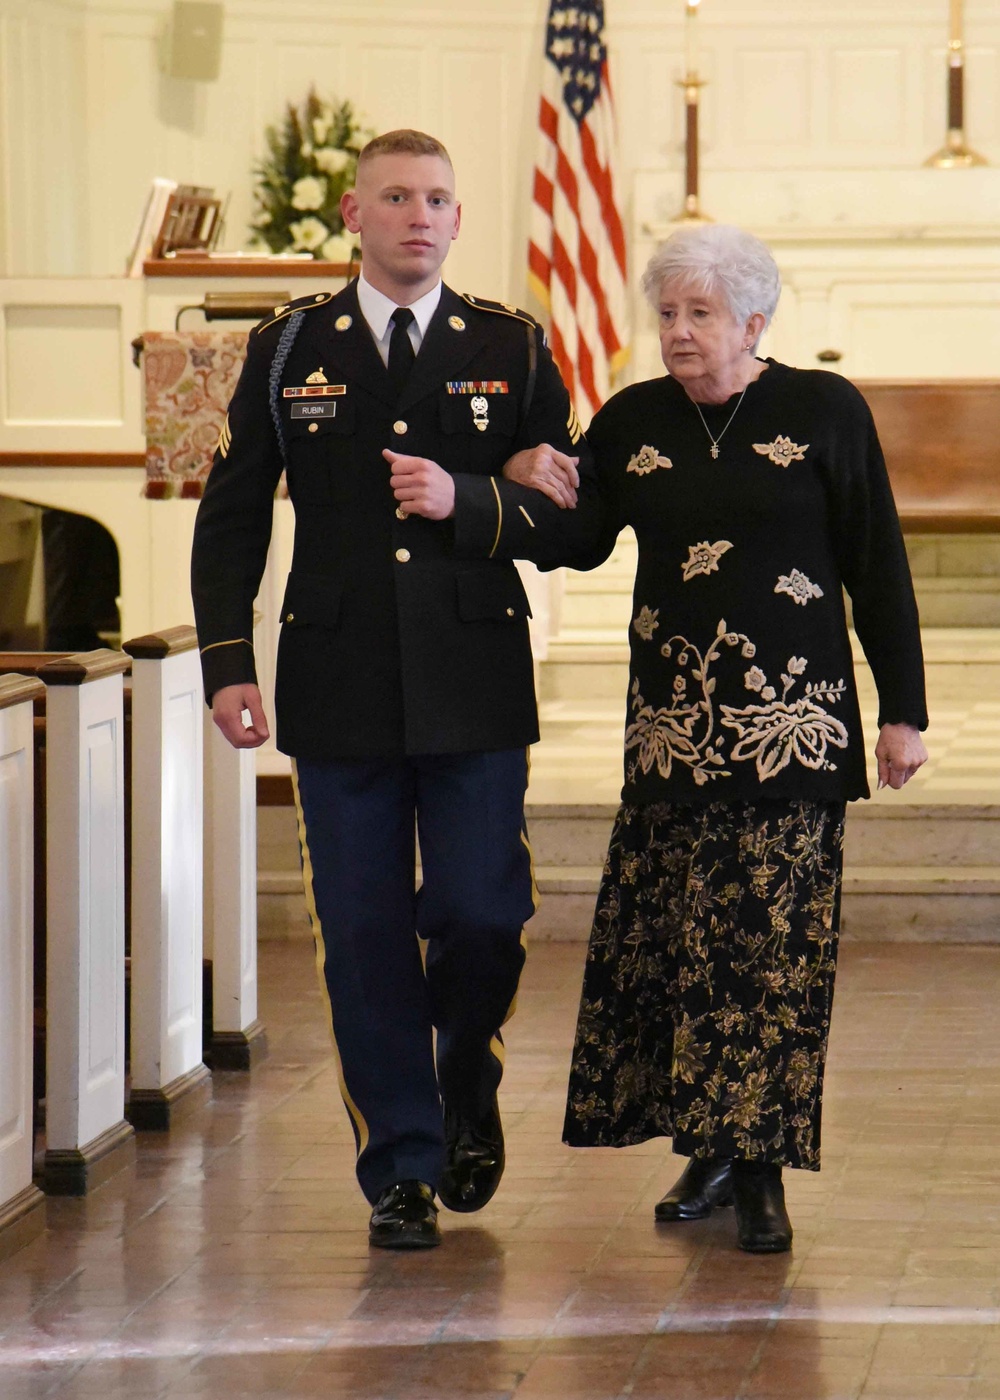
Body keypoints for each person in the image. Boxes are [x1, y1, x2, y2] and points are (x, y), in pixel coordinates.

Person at [190, 130, 598, 1249]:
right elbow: (231, 517)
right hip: (337, 681)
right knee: (363, 930)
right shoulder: (286, 350)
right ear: (354, 215)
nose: (420, 215)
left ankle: (467, 1071)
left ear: (459, 221)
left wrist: (470, 496)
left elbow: (569, 530)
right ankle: (403, 1163)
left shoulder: (510, 345)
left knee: (480, 912)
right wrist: (228, 661)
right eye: (397, 197)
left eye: (438, 199)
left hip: (473, 679)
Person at [542, 224, 928, 1253]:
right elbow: (574, 545)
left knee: (772, 955)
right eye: (666, 313)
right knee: (680, 947)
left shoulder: (823, 409)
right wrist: (507, 482)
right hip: (673, 735)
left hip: (793, 732)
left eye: (700, 313)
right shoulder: (629, 420)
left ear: (753, 320)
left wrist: (903, 711)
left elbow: (875, 559)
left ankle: (762, 1169)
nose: (677, 331)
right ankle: (707, 1146)